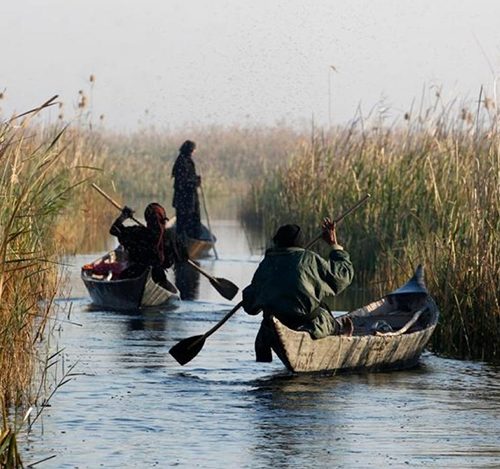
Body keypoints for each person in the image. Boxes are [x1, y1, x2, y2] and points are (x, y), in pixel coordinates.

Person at [242, 218, 354, 362]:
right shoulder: (309, 260)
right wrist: (334, 245)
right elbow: (342, 275)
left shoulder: (267, 263)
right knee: (325, 313)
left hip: (272, 329)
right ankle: (340, 331)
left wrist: (251, 293)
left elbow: (250, 307)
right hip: (310, 326)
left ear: (278, 242)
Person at [109, 202, 186, 289]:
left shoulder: (138, 233)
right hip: (157, 276)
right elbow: (182, 258)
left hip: (135, 272)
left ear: (147, 219)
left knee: (121, 276)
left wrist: (124, 216)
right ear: (163, 219)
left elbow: (114, 229)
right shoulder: (169, 237)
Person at [171, 140, 202, 239]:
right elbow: (182, 182)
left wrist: (195, 179)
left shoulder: (184, 160)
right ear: (189, 150)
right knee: (185, 221)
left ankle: (190, 239)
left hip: (187, 199)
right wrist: (195, 182)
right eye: (193, 150)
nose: (194, 152)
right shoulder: (182, 162)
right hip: (185, 200)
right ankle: (185, 240)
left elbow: (187, 177)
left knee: (189, 220)